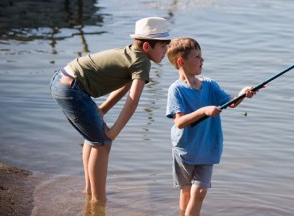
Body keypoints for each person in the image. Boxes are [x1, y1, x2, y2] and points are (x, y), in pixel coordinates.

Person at [50, 17, 171, 204]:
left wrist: (103, 109)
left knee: (94, 139)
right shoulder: (142, 62)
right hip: (73, 89)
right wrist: (113, 132)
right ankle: (99, 201)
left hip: (62, 81)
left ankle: (90, 191)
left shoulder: (132, 53)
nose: (166, 51)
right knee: (103, 142)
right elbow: (132, 101)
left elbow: (125, 84)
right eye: (163, 46)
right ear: (147, 46)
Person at [165, 37, 259, 216]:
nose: (202, 60)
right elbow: (179, 122)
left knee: (199, 190)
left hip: (208, 148)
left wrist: (242, 94)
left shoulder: (209, 84)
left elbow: (230, 102)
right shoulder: (176, 90)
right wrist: (204, 111)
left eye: (201, 56)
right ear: (181, 62)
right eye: (197, 57)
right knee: (186, 191)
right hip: (185, 149)